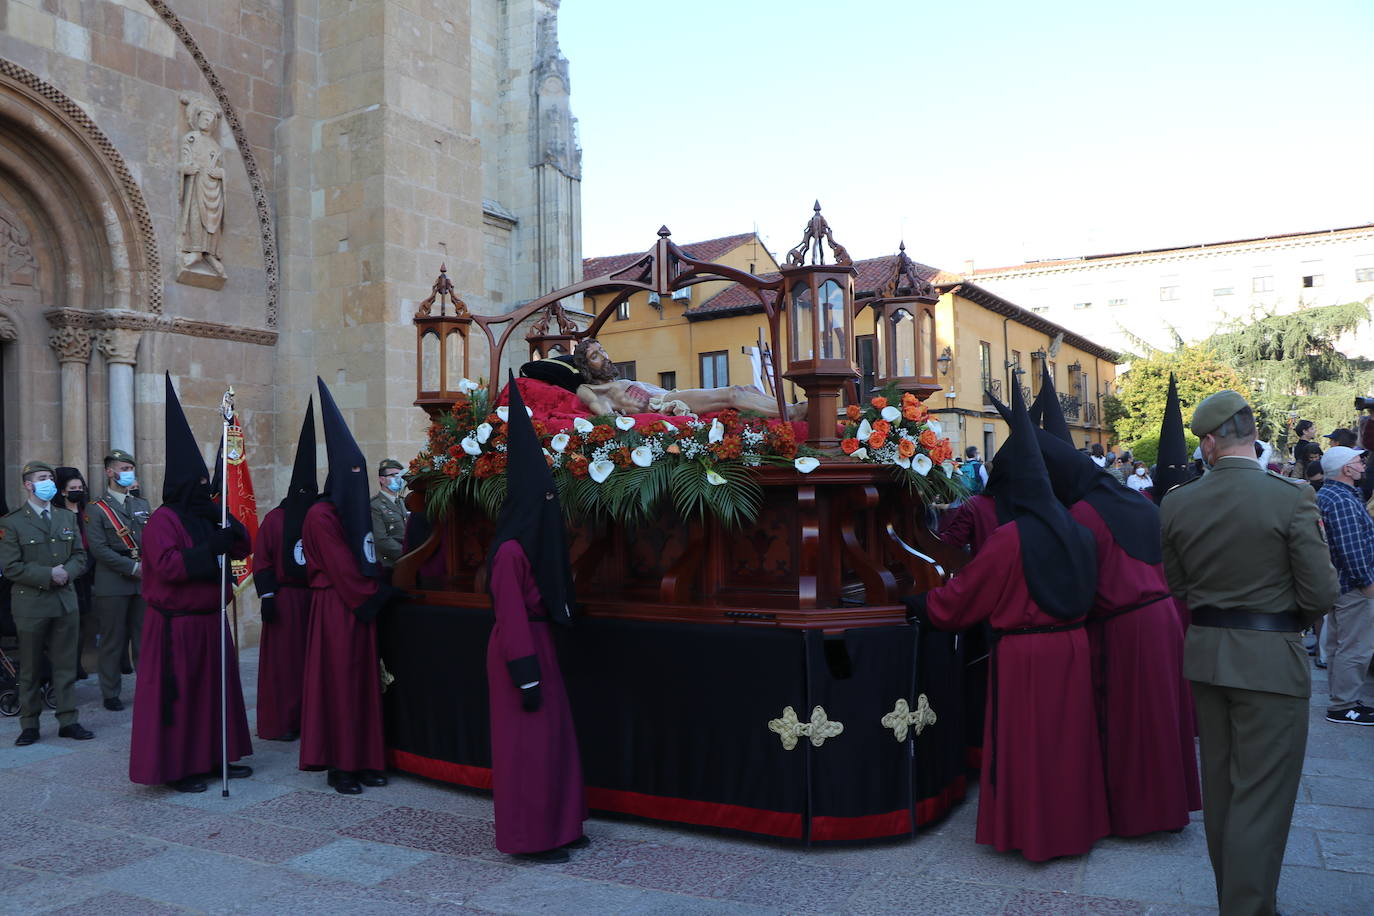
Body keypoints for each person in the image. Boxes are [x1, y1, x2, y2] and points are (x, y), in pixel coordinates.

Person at [907, 385, 1108, 862]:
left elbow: (963, 597)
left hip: (1027, 655)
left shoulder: (1009, 538)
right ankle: (1072, 828)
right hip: (1074, 647)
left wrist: (922, 605)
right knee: (1068, 742)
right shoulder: (1079, 529)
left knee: (1031, 745)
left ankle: (1033, 834)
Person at [1161, 390, 1339, 916]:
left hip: (1208, 655)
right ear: (1250, 434)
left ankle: (1237, 900)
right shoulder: (1290, 496)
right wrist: (1290, 623)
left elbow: (1177, 584)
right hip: (1270, 660)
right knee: (1262, 796)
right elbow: (1321, 592)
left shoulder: (1177, 500)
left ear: (1211, 441)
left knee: (1222, 792)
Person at [1035, 428, 1200, 835]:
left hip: (1127, 625)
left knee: (1135, 721)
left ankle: (1140, 815)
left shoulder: (1083, 515)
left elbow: (1077, 582)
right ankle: (1166, 806)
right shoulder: (1137, 501)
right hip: (1163, 617)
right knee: (1159, 717)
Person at [129, 375, 252, 793]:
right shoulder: (163, 521)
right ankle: (182, 767)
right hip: (177, 627)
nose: (204, 490)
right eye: (198, 486)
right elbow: (168, 566)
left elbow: (241, 545)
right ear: (182, 487)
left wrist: (228, 525)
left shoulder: (206, 513)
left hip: (210, 620)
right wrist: (208, 551)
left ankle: (217, 756)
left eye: (207, 484)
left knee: (215, 695)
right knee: (184, 699)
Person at [487, 372, 588, 863]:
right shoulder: (508, 552)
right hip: (519, 653)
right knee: (527, 748)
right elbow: (510, 619)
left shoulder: (528, 544)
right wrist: (525, 675)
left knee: (554, 743)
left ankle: (563, 825)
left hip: (539, 644)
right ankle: (531, 837)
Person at [299, 379, 405, 795]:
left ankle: (368, 759)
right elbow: (343, 568)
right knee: (340, 685)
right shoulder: (321, 515)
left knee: (364, 684)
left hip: (356, 605)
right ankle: (341, 765)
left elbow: (364, 554)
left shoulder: (349, 512)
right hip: (336, 607)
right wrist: (375, 593)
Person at [1, 460, 93, 746]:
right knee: (30, 667)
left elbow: (80, 555)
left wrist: (68, 572)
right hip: (31, 605)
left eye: (50, 478)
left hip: (65, 602)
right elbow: (10, 567)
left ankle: (68, 720)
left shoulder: (66, 518)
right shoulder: (12, 522)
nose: (48, 483)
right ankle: (29, 724)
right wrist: (48, 574)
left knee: (65, 666)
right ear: (28, 484)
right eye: (42, 478)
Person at [252, 399, 317, 741]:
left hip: (315, 600)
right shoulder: (276, 519)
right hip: (287, 602)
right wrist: (267, 595)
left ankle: (310, 719)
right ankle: (283, 722)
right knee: (285, 667)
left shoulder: (320, 519)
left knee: (312, 665)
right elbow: (261, 559)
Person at [571, 338, 805, 420]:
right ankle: (792, 412)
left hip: (668, 395)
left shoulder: (619, 382)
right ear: (585, 366)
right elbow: (604, 414)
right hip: (664, 403)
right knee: (733, 393)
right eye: (595, 355)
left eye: (602, 350)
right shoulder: (588, 388)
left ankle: (789, 410)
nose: (604, 356)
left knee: (748, 387)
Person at [85, 449, 150, 711]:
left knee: (144, 638)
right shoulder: (96, 508)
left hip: (142, 580)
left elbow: (151, 539)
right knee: (112, 640)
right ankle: (111, 692)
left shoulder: (141, 504)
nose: (127, 473)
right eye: (123, 469)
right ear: (110, 472)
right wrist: (133, 567)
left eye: (130, 469)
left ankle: (148, 688)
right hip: (113, 581)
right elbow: (99, 549)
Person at [1313, 446, 1374, 725]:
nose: (1363, 464)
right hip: (1353, 586)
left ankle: (1344, 699)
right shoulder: (1342, 500)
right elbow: (1352, 548)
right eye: (1358, 461)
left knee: (1341, 646)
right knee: (1356, 648)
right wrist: (1367, 583)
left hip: (1340, 583)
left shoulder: (1331, 494)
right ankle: (1343, 706)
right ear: (1345, 469)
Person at [53, 467, 95, 681]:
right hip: (64, 575)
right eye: (73, 488)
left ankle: (77, 664)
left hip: (86, 576)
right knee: (64, 625)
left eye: (80, 488)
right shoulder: (56, 513)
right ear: (62, 491)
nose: (78, 491)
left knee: (82, 623)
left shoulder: (88, 512)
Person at [370, 459, 408, 570]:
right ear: (382, 479)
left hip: (407, 561)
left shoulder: (403, 502)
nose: (398, 479)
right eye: (394, 475)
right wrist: (406, 554)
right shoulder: (375, 505)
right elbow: (381, 540)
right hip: (390, 564)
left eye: (400, 475)